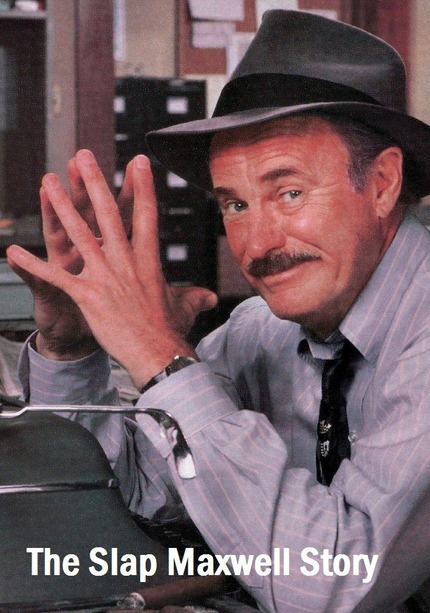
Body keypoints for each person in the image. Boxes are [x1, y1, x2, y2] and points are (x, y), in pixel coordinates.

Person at [6, 10, 430, 613]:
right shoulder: (258, 333)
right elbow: (143, 498)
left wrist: (163, 359)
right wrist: (74, 349)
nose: (257, 245)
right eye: (235, 205)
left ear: (383, 183)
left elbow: (333, 586)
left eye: (289, 193)